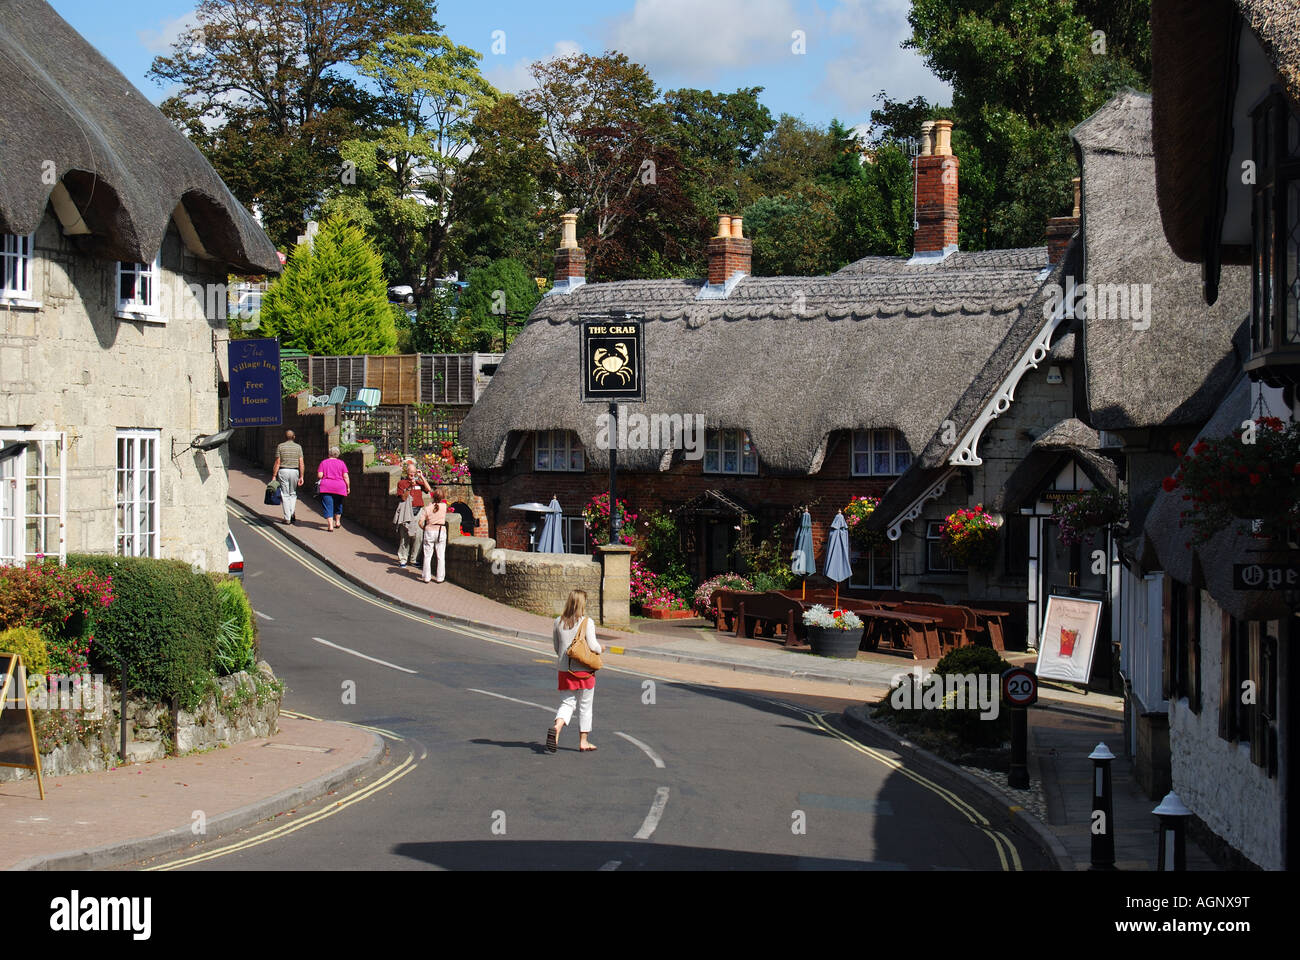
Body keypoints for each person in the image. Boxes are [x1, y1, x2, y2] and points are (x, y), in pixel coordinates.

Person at [547, 589, 602, 754]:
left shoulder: (558, 621)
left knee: (567, 703)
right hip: (584, 671)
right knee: (585, 706)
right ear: (582, 603)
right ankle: (583, 741)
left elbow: (557, 648)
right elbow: (593, 646)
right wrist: (602, 648)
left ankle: (557, 727)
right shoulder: (587, 622)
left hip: (564, 669)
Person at [395, 458, 432, 566]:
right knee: (404, 537)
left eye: (414, 472)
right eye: (411, 472)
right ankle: (403, 558)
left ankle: (413, 559)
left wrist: (421, 477)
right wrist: (410, 486)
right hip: (407, 511)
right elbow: (403, 498)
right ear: (407, 472)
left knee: (419, 536)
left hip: (419, 511)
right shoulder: (402, 483)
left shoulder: (419, 482)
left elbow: (429, 489)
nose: (412, 474)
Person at [271, 430, 307, 524]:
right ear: (294, 437)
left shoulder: (280, 446)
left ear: (285, 437)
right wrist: (302, 476)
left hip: (283, 471)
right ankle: (291, 514)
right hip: (295, 471)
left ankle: (287, 518)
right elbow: (301, 463)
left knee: (285, 494)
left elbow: (277, 462)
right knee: (293, 493)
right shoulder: (298, 447)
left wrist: (274, 475)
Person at [417, 488, 449, 583]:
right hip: (441, 531)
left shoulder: (427, 508)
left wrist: (424, 528)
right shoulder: (444, 506)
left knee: (427, 555)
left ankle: (426, 577)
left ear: (433, 497)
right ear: (442, 497)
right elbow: (438, 507)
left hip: (429, 530)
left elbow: (420, 522)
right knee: (440, 555)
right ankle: (440, 577)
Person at [317, 446, 350, 531]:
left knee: (328, 506)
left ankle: (330, 525)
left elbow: (320, 475)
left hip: (326, 487)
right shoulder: (342, 463)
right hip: (340, 487)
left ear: (329, 454)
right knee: (338, 504)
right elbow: (346, 476)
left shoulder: (324, 462)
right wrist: (348, 487)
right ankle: (338, 522)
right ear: (338, 454)